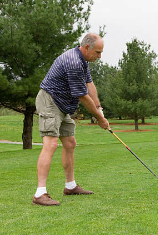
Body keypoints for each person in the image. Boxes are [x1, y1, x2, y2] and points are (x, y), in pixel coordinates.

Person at [32, 33, 110, 206]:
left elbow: (89, 85)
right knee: (51, 144)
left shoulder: (83, 61)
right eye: (98, 52)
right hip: (50, 101)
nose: (99, 56)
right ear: (87, 47)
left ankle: (70, 186)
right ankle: (39, 193)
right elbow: (82, 95)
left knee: (70, 143)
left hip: (63, 105)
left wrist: (99, 108)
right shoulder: (74, 62)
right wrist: (100, 119)